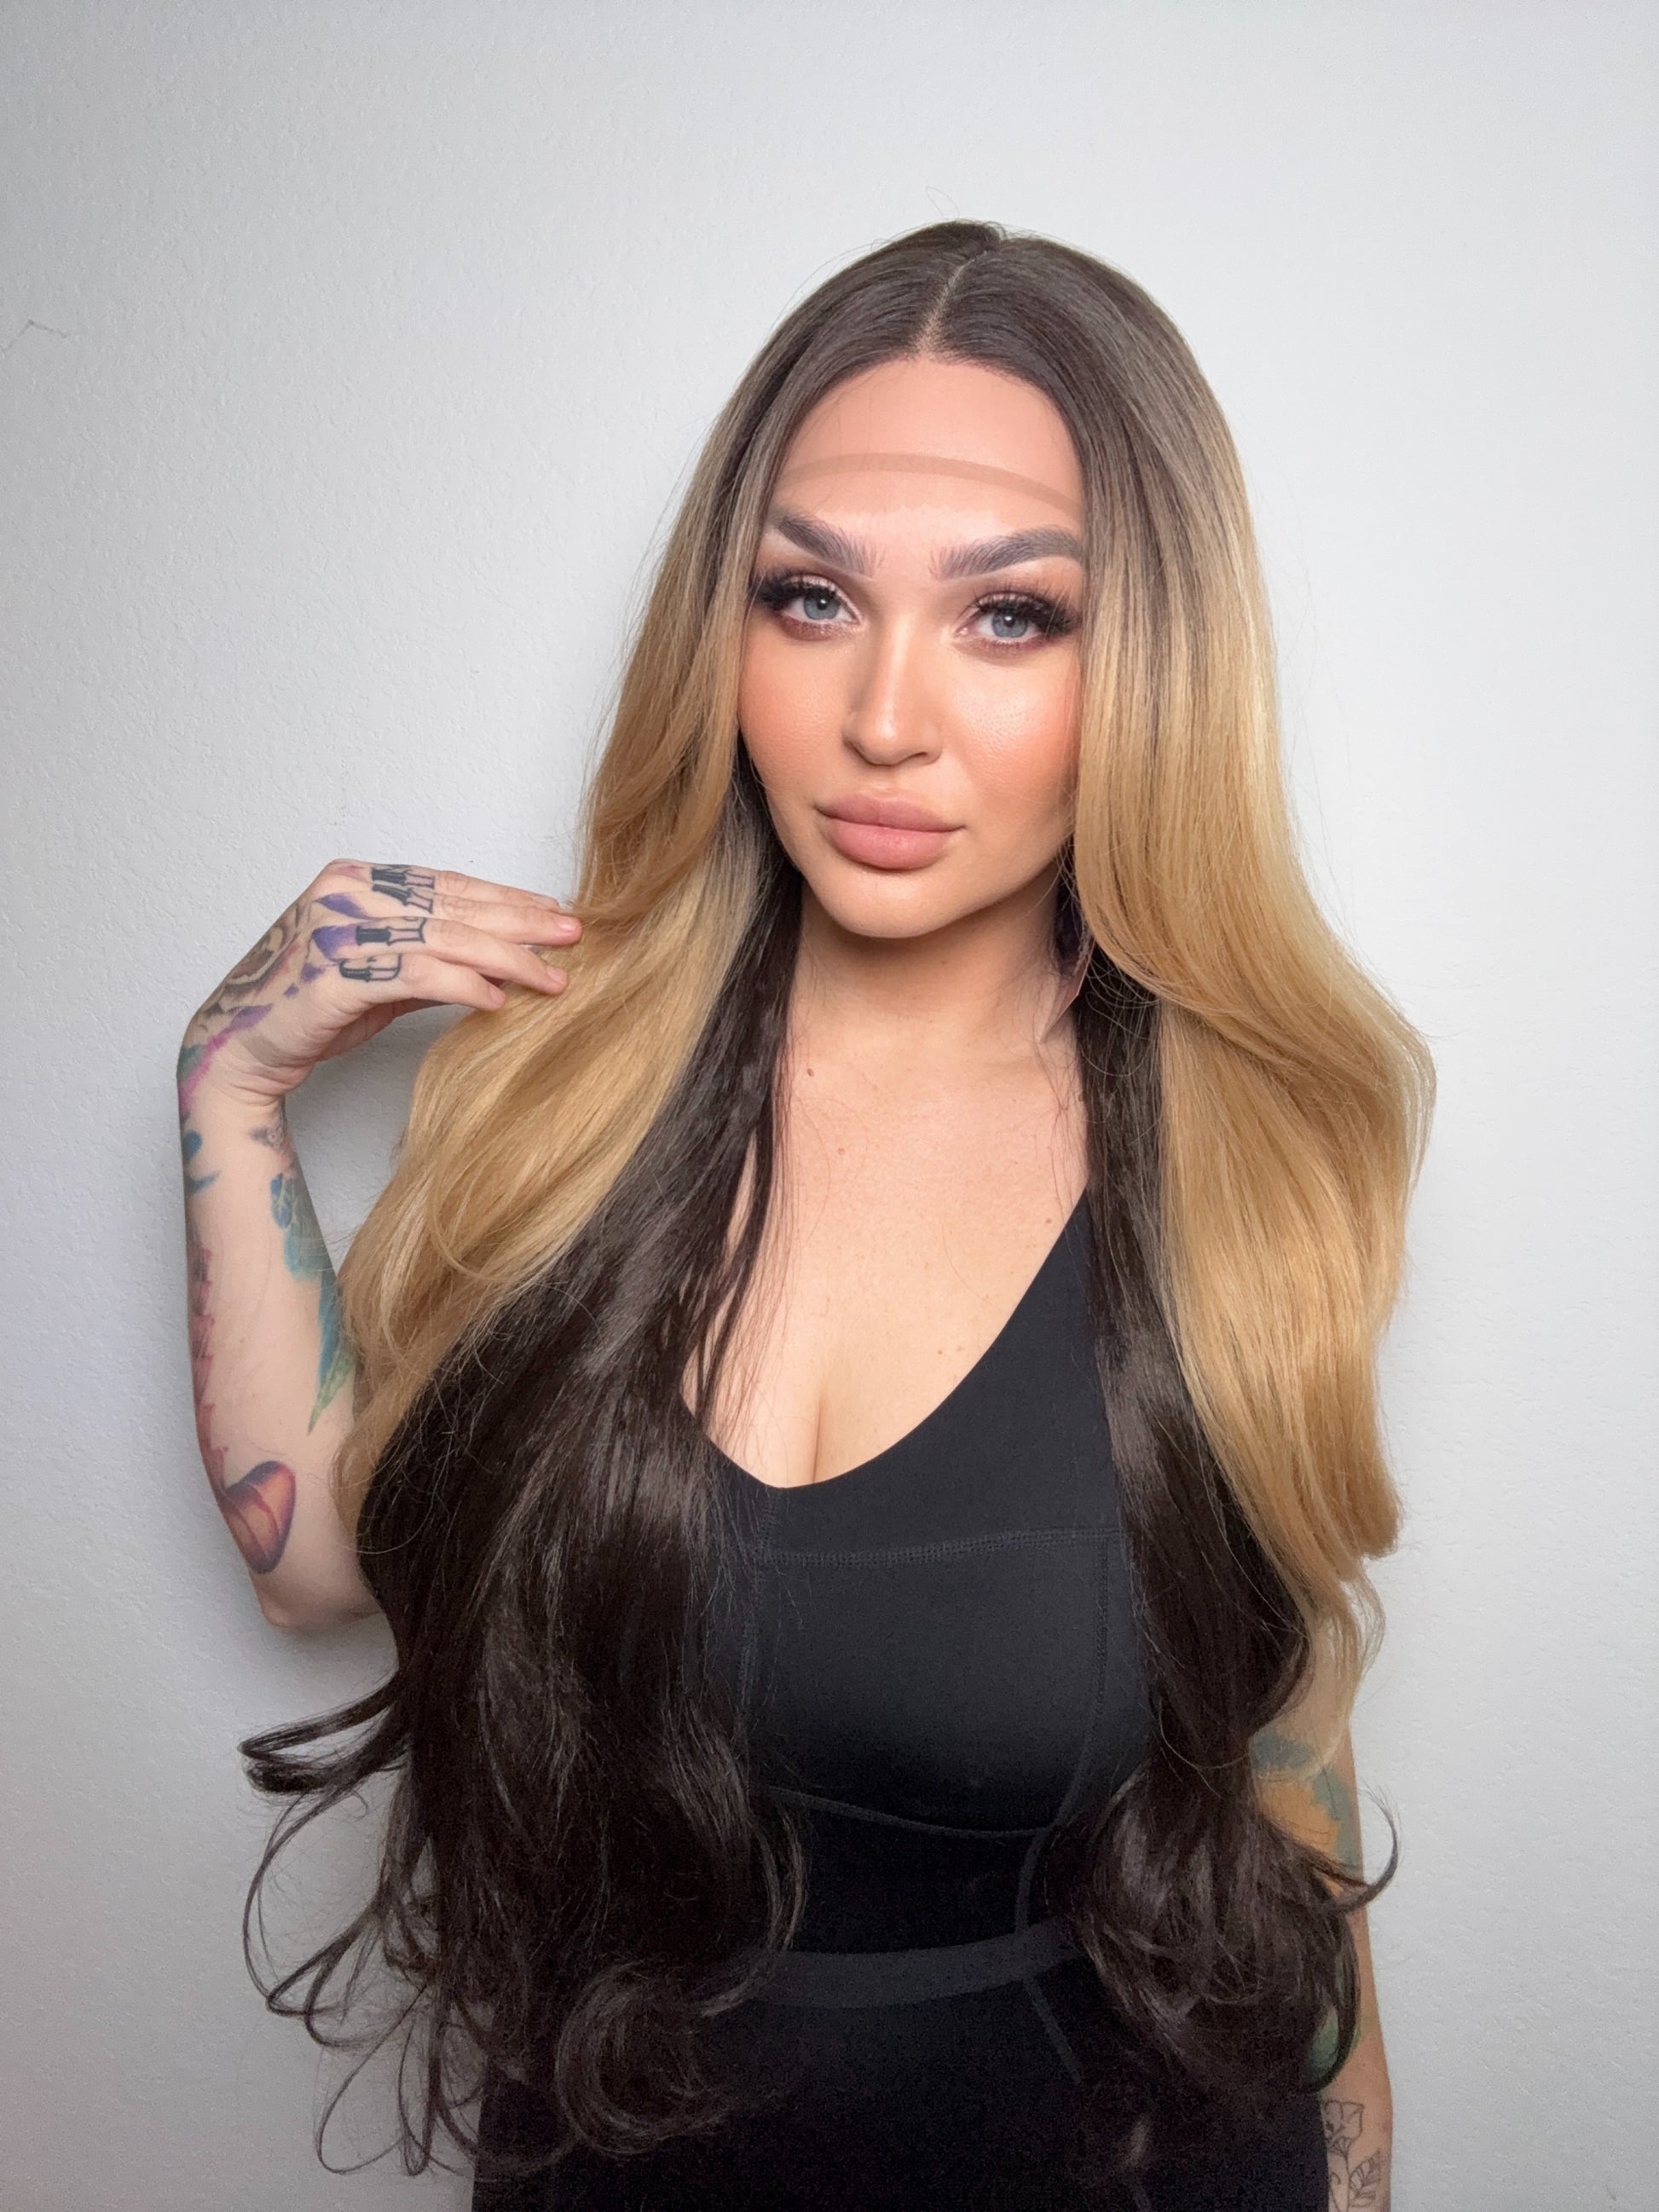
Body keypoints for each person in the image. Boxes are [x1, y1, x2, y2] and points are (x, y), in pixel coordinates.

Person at [177, 221, 1431, 2210]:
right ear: (726, 627)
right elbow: (322, 1560)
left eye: (1010, 613)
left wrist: (1360, 2168)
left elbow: (1276, 1747)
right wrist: (231, 1087)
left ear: (1151, 662)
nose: (885, 715)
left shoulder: (1247, 1137)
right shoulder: (555, 1090)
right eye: (812, 595)